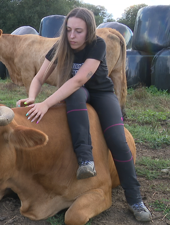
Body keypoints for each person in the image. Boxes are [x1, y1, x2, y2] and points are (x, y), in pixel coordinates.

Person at [16, 7, 152, 222]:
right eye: (69, 30)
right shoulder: (61, 46)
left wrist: (46, 104)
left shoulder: (97, 45)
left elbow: (78, 79)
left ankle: (134, 199)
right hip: (77, 93)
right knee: (76, 95)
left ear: (89, 31)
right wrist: (32, 97)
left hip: (101, 94)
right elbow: (39, 77)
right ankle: (85, 159)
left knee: (117, 140)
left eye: (78, 31)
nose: (72, 36)